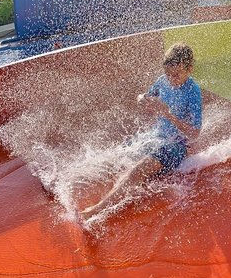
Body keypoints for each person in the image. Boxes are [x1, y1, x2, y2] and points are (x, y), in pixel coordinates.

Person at [80, 42, 203, 221]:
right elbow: (144, 96)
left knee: (138, 170)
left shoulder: (193, 92)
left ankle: (97, 209)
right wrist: (144, 99)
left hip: (178, 146)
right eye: (168, 74)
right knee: (116, 156)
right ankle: (74, 184)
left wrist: (168, 115)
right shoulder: (163, 80)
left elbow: (195, 133)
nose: (171, 79)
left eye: (175, 74)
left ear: (189, 68)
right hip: (156, 136)